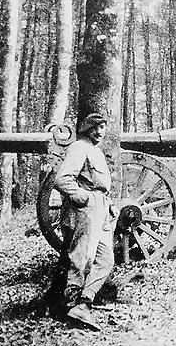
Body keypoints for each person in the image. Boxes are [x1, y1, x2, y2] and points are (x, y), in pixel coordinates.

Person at [53, 112, 116, 331]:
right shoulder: (79, 147)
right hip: (85, 209)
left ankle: (84, 302)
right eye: (95, 128)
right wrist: (80, 195)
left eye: (102, 127)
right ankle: (71, 304)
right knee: (81, 258)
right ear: (86, 130)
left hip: (101, 209)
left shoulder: (95, 151)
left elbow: (101, 184)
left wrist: (108, 205)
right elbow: (62, 178)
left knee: (106, 260)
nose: (100, 132)